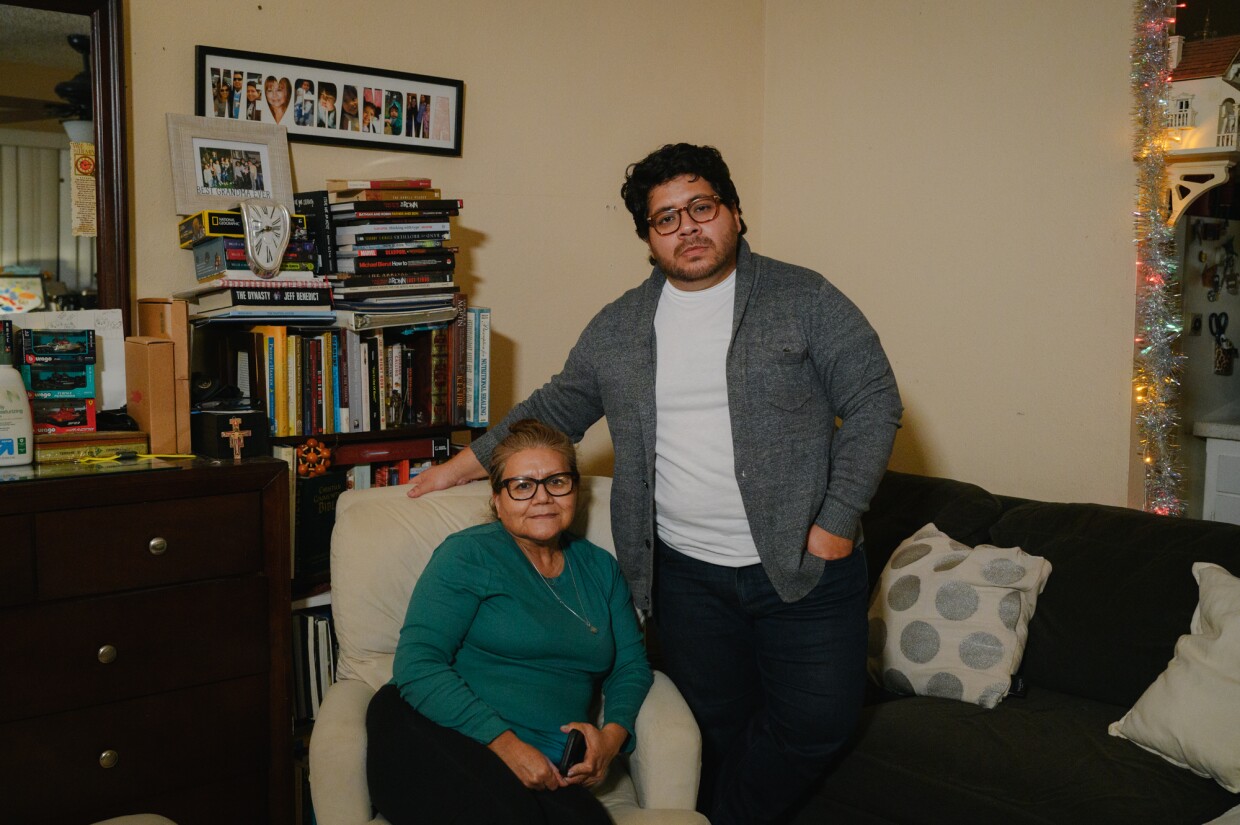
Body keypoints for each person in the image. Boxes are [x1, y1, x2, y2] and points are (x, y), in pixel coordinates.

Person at [408, 142, 903, 825]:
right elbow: (555, 408)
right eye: (665, 218)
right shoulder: (619, 327)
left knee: (818, 722)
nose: (687, 228)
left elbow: (875, 398)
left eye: (701, 207)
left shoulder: (804, 296)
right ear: (647, 236)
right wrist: (463, 465)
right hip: (688, 576)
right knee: (718, 733)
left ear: (733, 211)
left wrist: (837, 521)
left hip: (807, 566)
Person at [367, 420, 652, 825]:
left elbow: (631, 666)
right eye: (522, 486)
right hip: (435, 733)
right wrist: (506, 746)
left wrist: (610, 739)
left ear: (574, 489)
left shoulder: (600, 569)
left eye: (557, 481)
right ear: (498, 499)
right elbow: (417, 664)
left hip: (548, 767)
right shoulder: (468, 555)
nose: (542, 498)